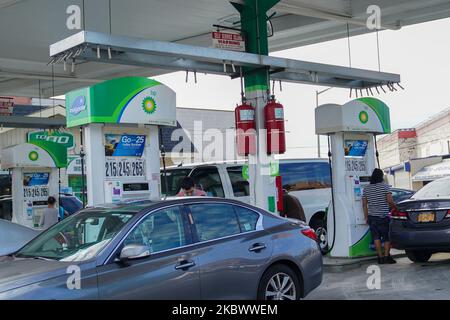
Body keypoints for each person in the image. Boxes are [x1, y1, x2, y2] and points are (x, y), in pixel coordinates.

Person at [362, 168, 397, 264]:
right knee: (386, 237)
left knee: (376, 237)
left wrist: (366, 217)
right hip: (383, 216)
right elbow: (390, 201)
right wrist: (395, 207)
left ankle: (380, 258)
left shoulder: (366, 188)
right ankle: (386, 257)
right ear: (381, 176)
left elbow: (364, 204)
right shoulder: (385, 187)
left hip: (372, 217)